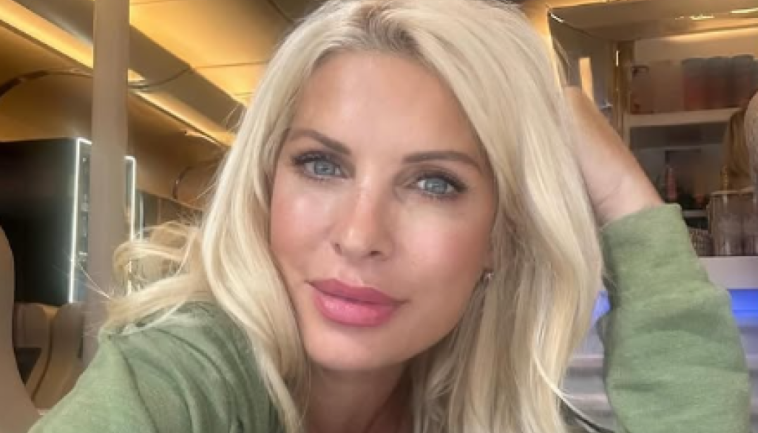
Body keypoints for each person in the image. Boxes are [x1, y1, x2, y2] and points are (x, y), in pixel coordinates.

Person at [31, 1, 749, 432]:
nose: (359, 235)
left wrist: (626, 196)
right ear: (265, 185)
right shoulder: (189, 369)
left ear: (501, 236)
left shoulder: (474, 407)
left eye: (434, 182)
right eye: (322, 164)